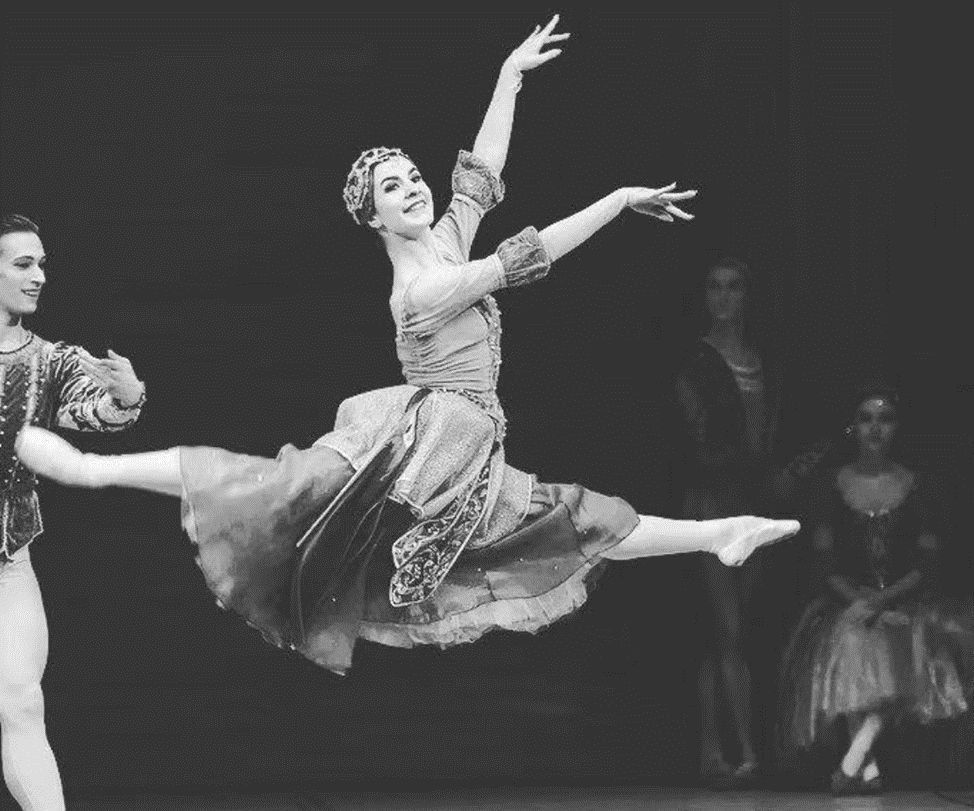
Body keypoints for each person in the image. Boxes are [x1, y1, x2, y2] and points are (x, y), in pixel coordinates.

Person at [14, 17, 798, 680]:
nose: (415, 187)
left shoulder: (447, 240)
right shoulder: (422, 289)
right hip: (426, 441)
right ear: (374, 219)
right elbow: (528, 256)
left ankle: (720, 534)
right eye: (394, 187)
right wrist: (619, 200)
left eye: (413, 175)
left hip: (473, 448)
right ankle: (92, 469)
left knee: (576, 516)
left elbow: (482, 173)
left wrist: (509, 77)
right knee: (277, 486)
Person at [0, 214, 145, 811]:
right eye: (23, 264)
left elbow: (95, 412)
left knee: (20, 702)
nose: (39, 276)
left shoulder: (49, 361)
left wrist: (125, 395)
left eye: (42, 264)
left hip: (7, 561)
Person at [776, 384, 973, 795]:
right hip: (848, 600)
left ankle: (854, 761)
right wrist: (861, 602)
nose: (875, 428)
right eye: (866, 419)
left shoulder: (919, 486)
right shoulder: (831, 486)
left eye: (885, 419)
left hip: (907, 600)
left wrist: (882, 601)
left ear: (898, 427)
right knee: (850, 638)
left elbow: (925, 567)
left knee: (906, 646)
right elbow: (825, 566)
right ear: (852, 427)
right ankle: (868, 771)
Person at [674, 256, 780, 787]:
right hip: (712, 499)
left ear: (747, 295)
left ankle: (714, 751)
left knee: (736, 629)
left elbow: (771, 432)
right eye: (714, 286)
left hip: (754, 497)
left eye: (733, 287)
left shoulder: (763, 358)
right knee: (727, 626)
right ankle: (744, 753)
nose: (723, 296)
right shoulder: (695, 359)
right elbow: (694, 437)